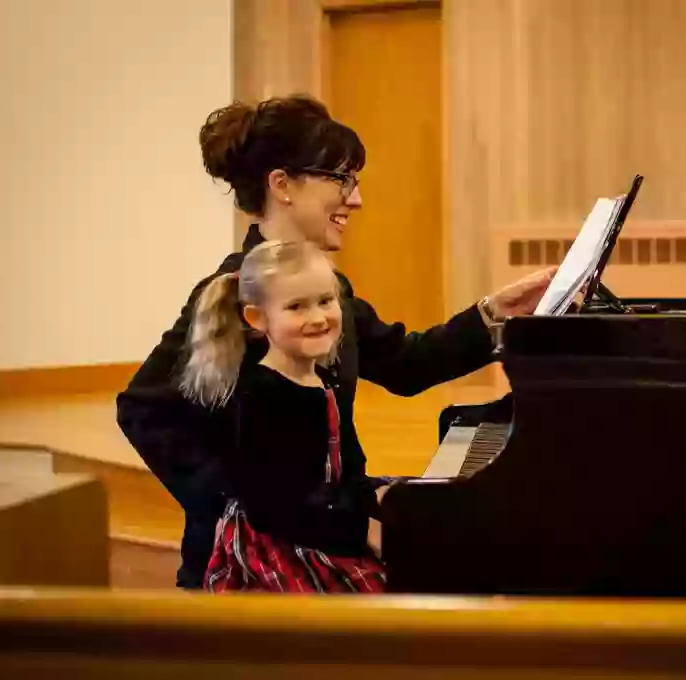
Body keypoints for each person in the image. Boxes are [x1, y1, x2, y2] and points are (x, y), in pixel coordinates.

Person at [116, 94, 555, 589]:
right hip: (267, 563)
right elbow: (142, 409)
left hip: (329, 522)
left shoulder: (327, 289)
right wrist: (232, 505)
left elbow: (404, 364)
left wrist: (495, 313)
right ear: (281, 184)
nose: (356, 198)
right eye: (341, 179)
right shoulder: (235, 296)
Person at [184, 239, 385, 592]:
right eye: (297, 307)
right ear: (258, 318)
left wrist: (379, 507)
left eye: (326, 301)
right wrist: (361, 530)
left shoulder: (322, 380)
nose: (319, 317)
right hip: (279, 542)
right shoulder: (261, 394)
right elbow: (273, 508)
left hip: (322, 518)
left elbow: (349, 465)